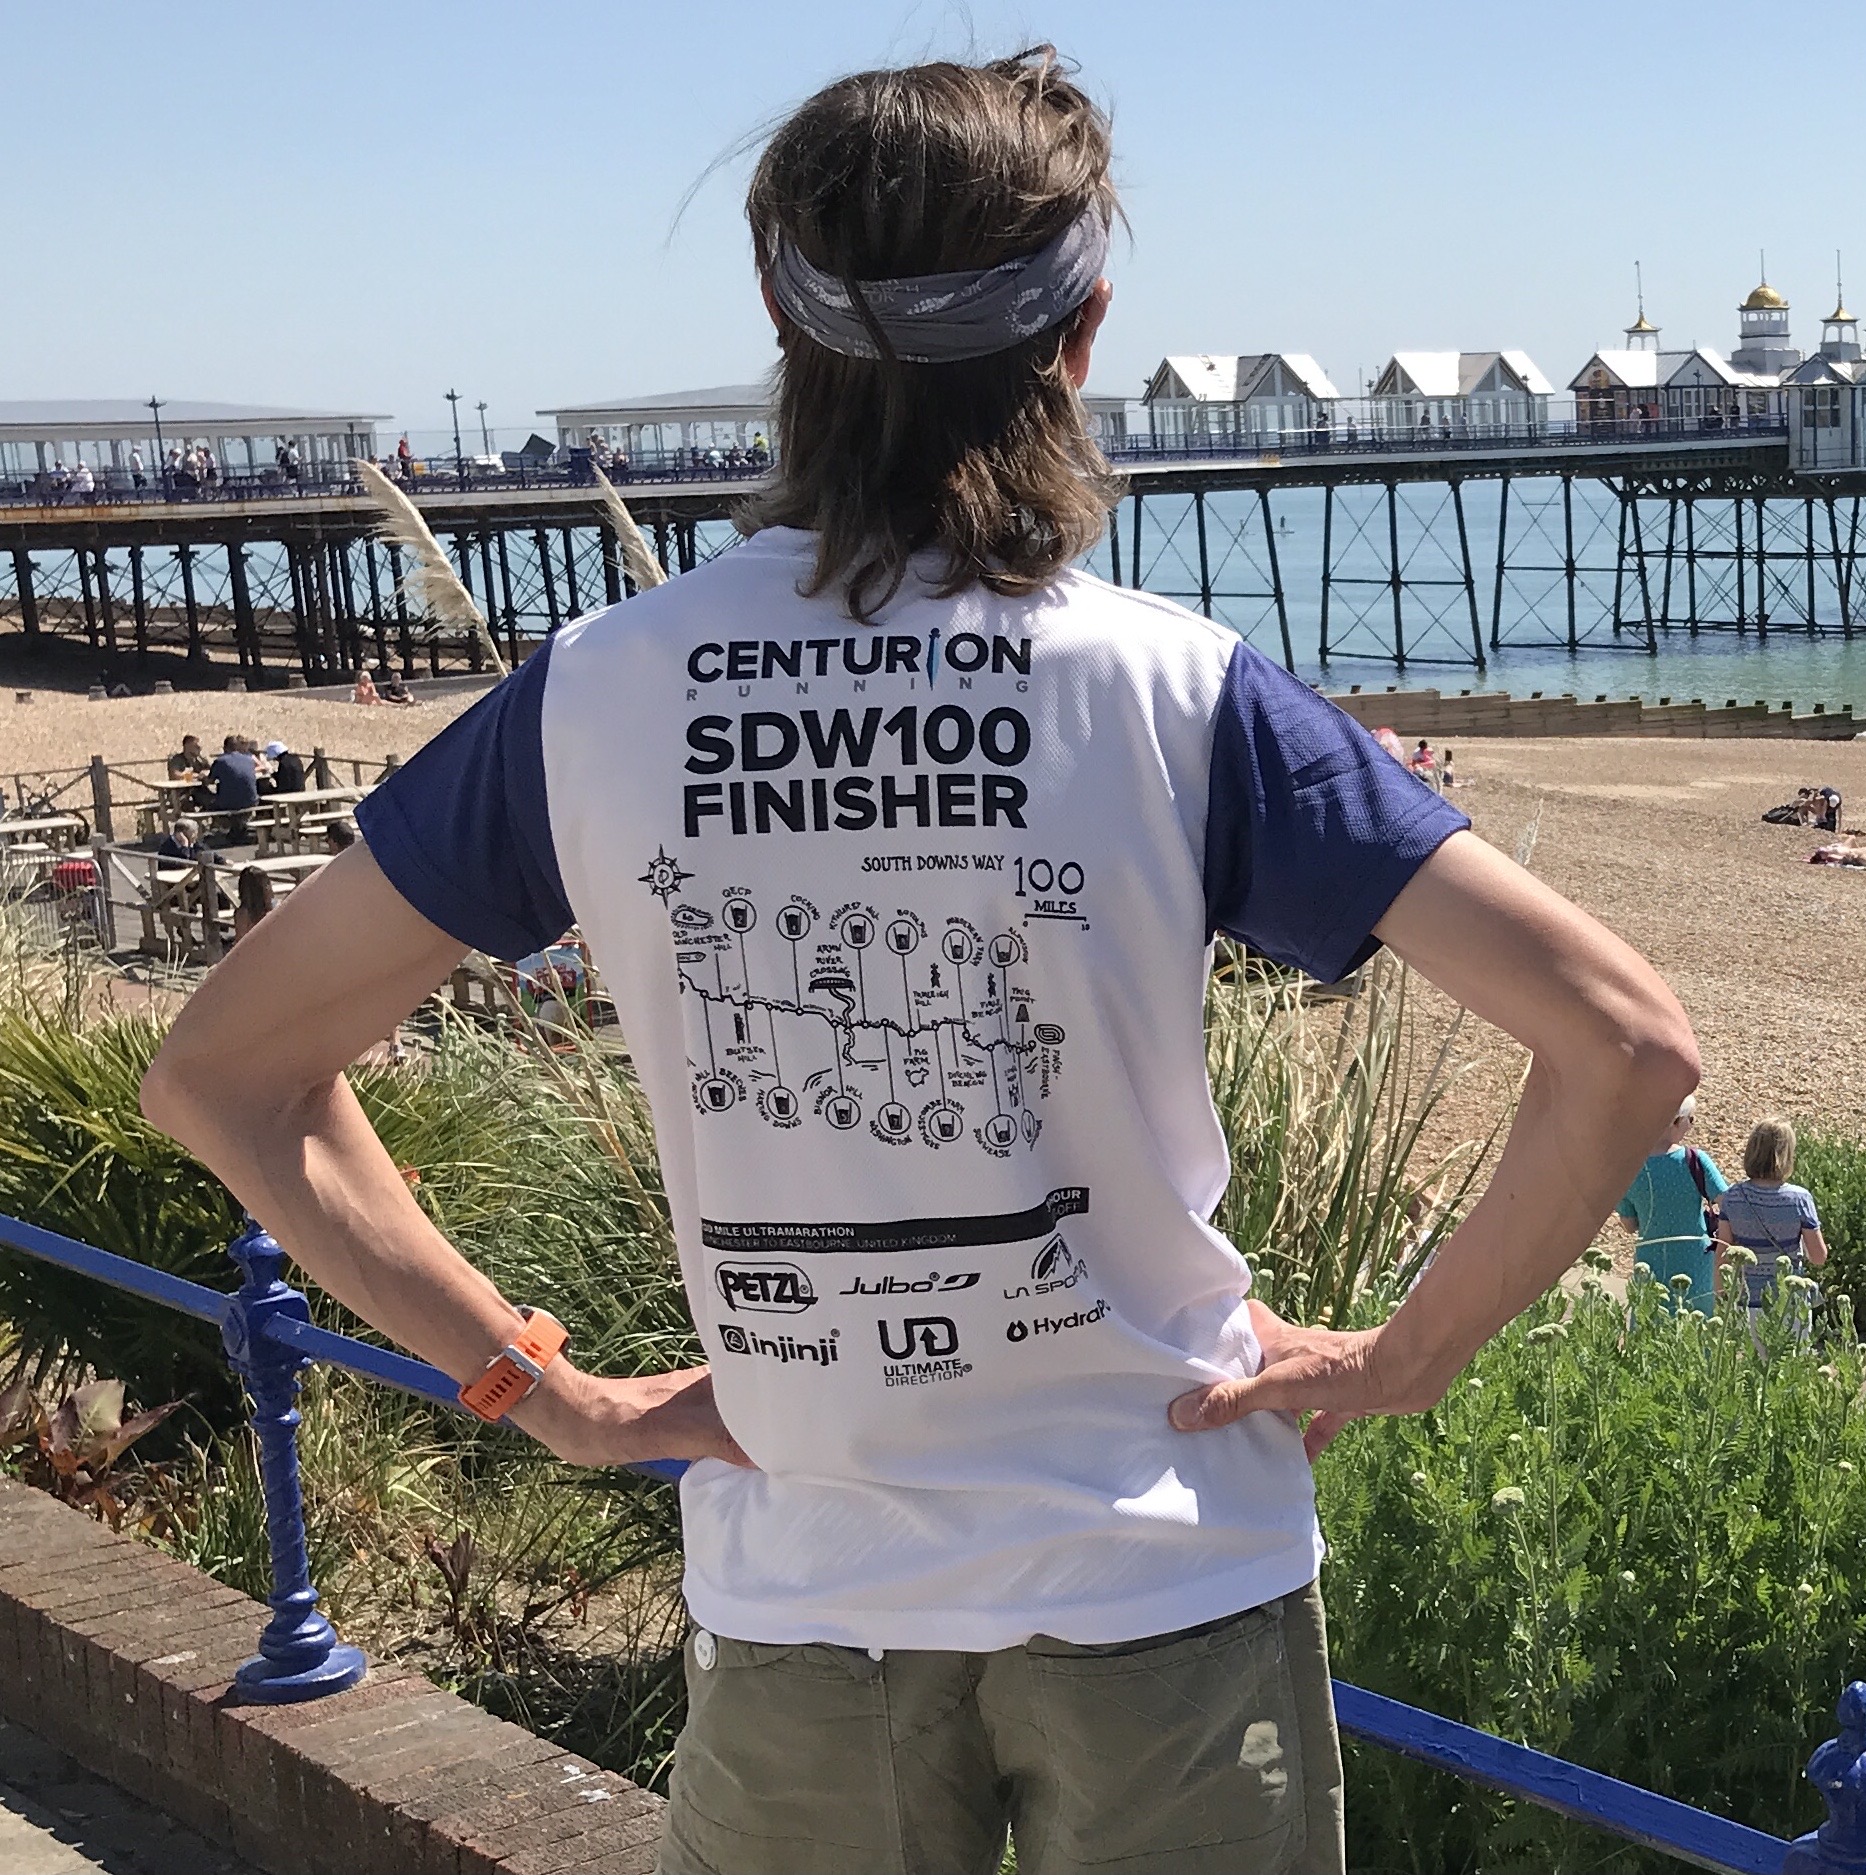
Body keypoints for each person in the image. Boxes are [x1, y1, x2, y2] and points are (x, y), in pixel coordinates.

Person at [140, 48, 1699, 1875]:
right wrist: (1404, 1357)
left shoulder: (601, 694)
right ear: (1081, 334)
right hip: (1164, 1570)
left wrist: (537, 1389)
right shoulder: (1172, 690)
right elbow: (1626, 1044)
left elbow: (224, 1074)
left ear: (779, 324)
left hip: (810, 1594)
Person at [1613, 1094, 1726, 1310]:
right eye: (1690, 1119)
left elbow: (1629, 1225)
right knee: (1695, 1320)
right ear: (1675, 1121)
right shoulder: (1695, 1160)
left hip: (1650, 1258)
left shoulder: (1627, 1167)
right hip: (1695, 1258)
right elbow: (1727, 1202)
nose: (1690, 1126)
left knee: (1650, 1319)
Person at [1715, 1118, 1828, 1308]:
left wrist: (1721, 1298)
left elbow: (1723, 1255)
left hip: (1745, 1302)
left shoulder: (1733, 1196)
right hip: (1788, 1303)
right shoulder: (1799, 1199)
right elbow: (1818, 1257)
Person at [206, 734, 259, 843]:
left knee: (205, 800)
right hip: (251, 801)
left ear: (224, 748)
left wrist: (202, 777)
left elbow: (209, 781)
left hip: (228, 803)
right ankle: (235, 829)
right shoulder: (249, 760)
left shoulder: (220, 761)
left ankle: (221, 829)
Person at [232, 866, 275, 941]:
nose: (269, 888)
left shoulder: (273, 909)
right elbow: (242, 940)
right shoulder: (244, 914)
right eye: (266, 884)